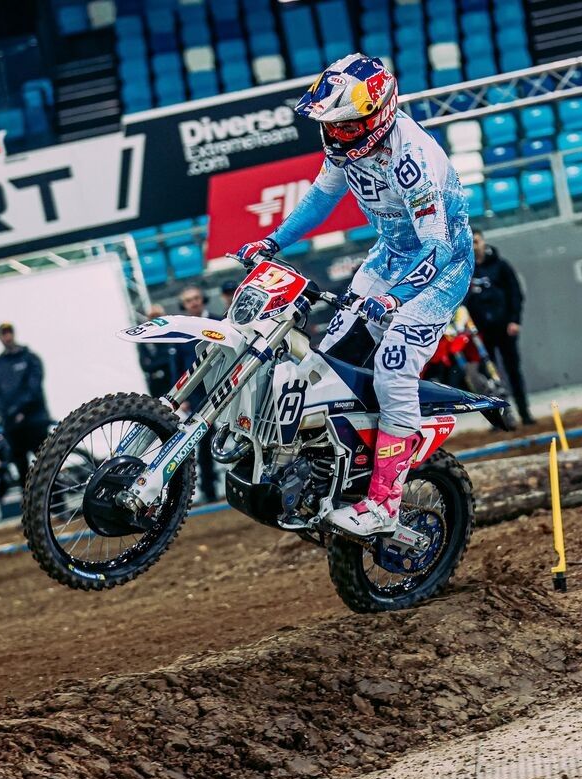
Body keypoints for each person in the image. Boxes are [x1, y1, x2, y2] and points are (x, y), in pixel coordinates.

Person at [234, 53, 472, 538]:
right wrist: (272, 242)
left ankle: (385, 502)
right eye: (330, 124)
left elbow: (440, 247)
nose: (336, 134)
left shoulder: (411, 157)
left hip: (440, 273)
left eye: (345, 125)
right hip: (388, 256)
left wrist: (396, 298)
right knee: (328, 362)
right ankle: (332, 473)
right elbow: (320, 199)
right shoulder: (347, 149)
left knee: (393, 369)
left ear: (377, 114)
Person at [466, 229, 535, 426]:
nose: (474, 246)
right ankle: (501, 419)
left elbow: (515, 294)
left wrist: (514, 320)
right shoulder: (465, 270)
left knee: (513, 371)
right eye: (470, 242)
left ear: (483, 242)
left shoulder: (501, 265)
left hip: (505, 328)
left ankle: (525, 413)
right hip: (481, 334)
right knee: (489, 377)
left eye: (476, 241)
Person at [171, 284, 222, 503]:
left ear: (203, 299)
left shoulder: (220, 322)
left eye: (196, 298)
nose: (193, 302)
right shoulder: (183, 329)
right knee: (202, 436)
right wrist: (180, 396)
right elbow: (176, 364)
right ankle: (209, 490)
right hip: (196, 391)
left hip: (224, 383)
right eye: (188, 300)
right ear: (183, 304)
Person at [0, 322, 51, 487]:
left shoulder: (30, 358)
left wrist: (20, 410)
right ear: (0, 337)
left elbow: (34, 388)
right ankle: (30, 502)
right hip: (12, 427)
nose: (7, 337)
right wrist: (7, 412)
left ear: (14, 334)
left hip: (35, 421)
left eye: (9, 333)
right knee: (22, 469)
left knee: (47, 464)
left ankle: (58, 500)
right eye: (3, 334)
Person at [137, 304, 176, 397]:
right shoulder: (145, 341)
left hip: (174, 380)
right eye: (152, 316)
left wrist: (160, 361)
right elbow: (146, 365)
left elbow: (177, 359)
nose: (155, 319)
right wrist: (167, 358)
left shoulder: (173, 336)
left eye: (158, 316)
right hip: (158, 387)